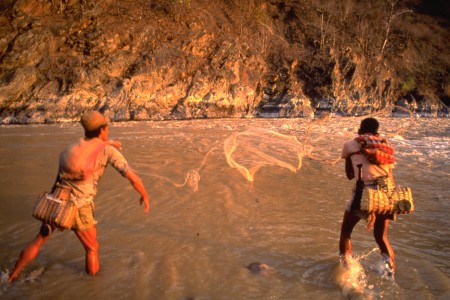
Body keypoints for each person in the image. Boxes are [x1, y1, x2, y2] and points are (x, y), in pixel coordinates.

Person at [8, 111, 150, 283]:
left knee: (38, 240)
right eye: (107, 127)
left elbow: (88, 151)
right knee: (92, 248)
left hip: (57, 200)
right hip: (79, 207)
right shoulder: (108, 151)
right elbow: (133, 177)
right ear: (103, 129)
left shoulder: (71, 147)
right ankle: (93, 286)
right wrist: (145, 195)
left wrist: (109, 142)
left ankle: (11, 276)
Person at [339, 117, 396, 277]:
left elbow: (350, 175)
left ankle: (347, 272)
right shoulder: (386, 146)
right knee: (382, 236)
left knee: (346, 231)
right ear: (377, 130)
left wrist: (369, 207)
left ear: (360, 129)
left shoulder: (350, 145)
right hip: (386, 194)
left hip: (363, 193)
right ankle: (390, 274)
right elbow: (390, 175)